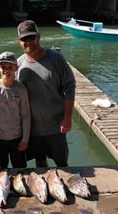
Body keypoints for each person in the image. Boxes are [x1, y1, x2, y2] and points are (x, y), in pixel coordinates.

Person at [16, 20, 76, 168]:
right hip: (32, 129)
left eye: (32, 37)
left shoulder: (56, 58)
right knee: (40, 163)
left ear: (39, 37)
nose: (28, 42)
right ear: (19, 41)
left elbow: (70, 87)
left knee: (62, 164)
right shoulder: (18, 64)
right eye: (24, 39)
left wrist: (67, 118)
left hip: (56, 126)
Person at [0, 51, 31, 170]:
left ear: (15, 68)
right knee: (2, 168)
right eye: (3, 67)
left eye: (9, 67)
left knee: (20, 169)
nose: (6, 70)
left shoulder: (21, 89)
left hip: (17, 138)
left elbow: (26, 115)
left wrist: (25, 139)